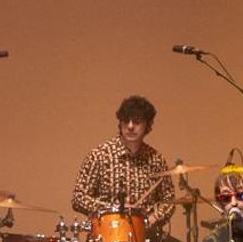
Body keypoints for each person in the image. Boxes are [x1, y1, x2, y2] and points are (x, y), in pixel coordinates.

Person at [71, 95, 175, 231]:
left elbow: (168, 199)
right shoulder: (100, 156)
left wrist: (153, 218)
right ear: (120, 123)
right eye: (126, 120)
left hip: (145, 235)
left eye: (137, 121)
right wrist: (112, 210)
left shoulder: (156, 160)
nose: (130, 126)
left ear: (147, 125)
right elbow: (78, 197)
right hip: (107, 233)